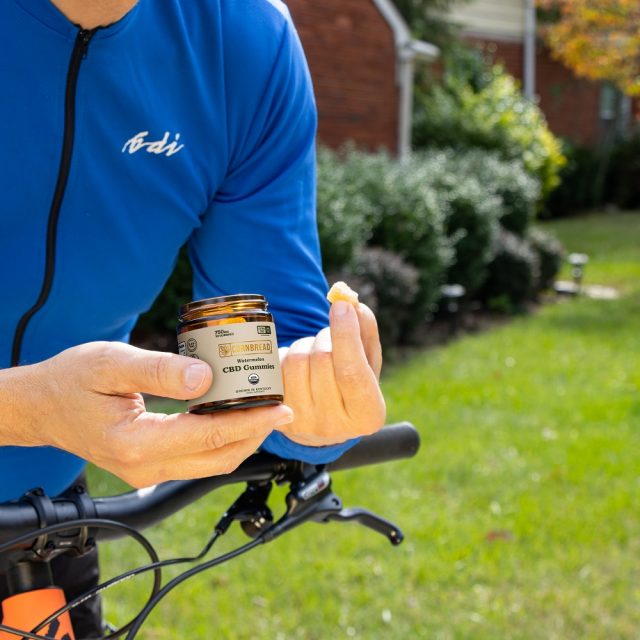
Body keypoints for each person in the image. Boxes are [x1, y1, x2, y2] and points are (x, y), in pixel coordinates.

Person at [0, 0, 386, 636]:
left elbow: (267, 353)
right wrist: (23, 410)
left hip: (43, 526)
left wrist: (312, 402)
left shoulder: (243, 41)